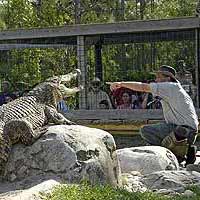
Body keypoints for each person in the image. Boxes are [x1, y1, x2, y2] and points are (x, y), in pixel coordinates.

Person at [107, 65, 198, 165]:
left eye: (159, 77)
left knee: (146, 131)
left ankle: (175, 155)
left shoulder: (170, 86)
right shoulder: (176, 89)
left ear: (167, 78)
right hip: (189, 132)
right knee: (159, 132)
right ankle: (187, 150)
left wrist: (121, 84)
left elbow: (143, 87)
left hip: (183, 130)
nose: (156, 79)